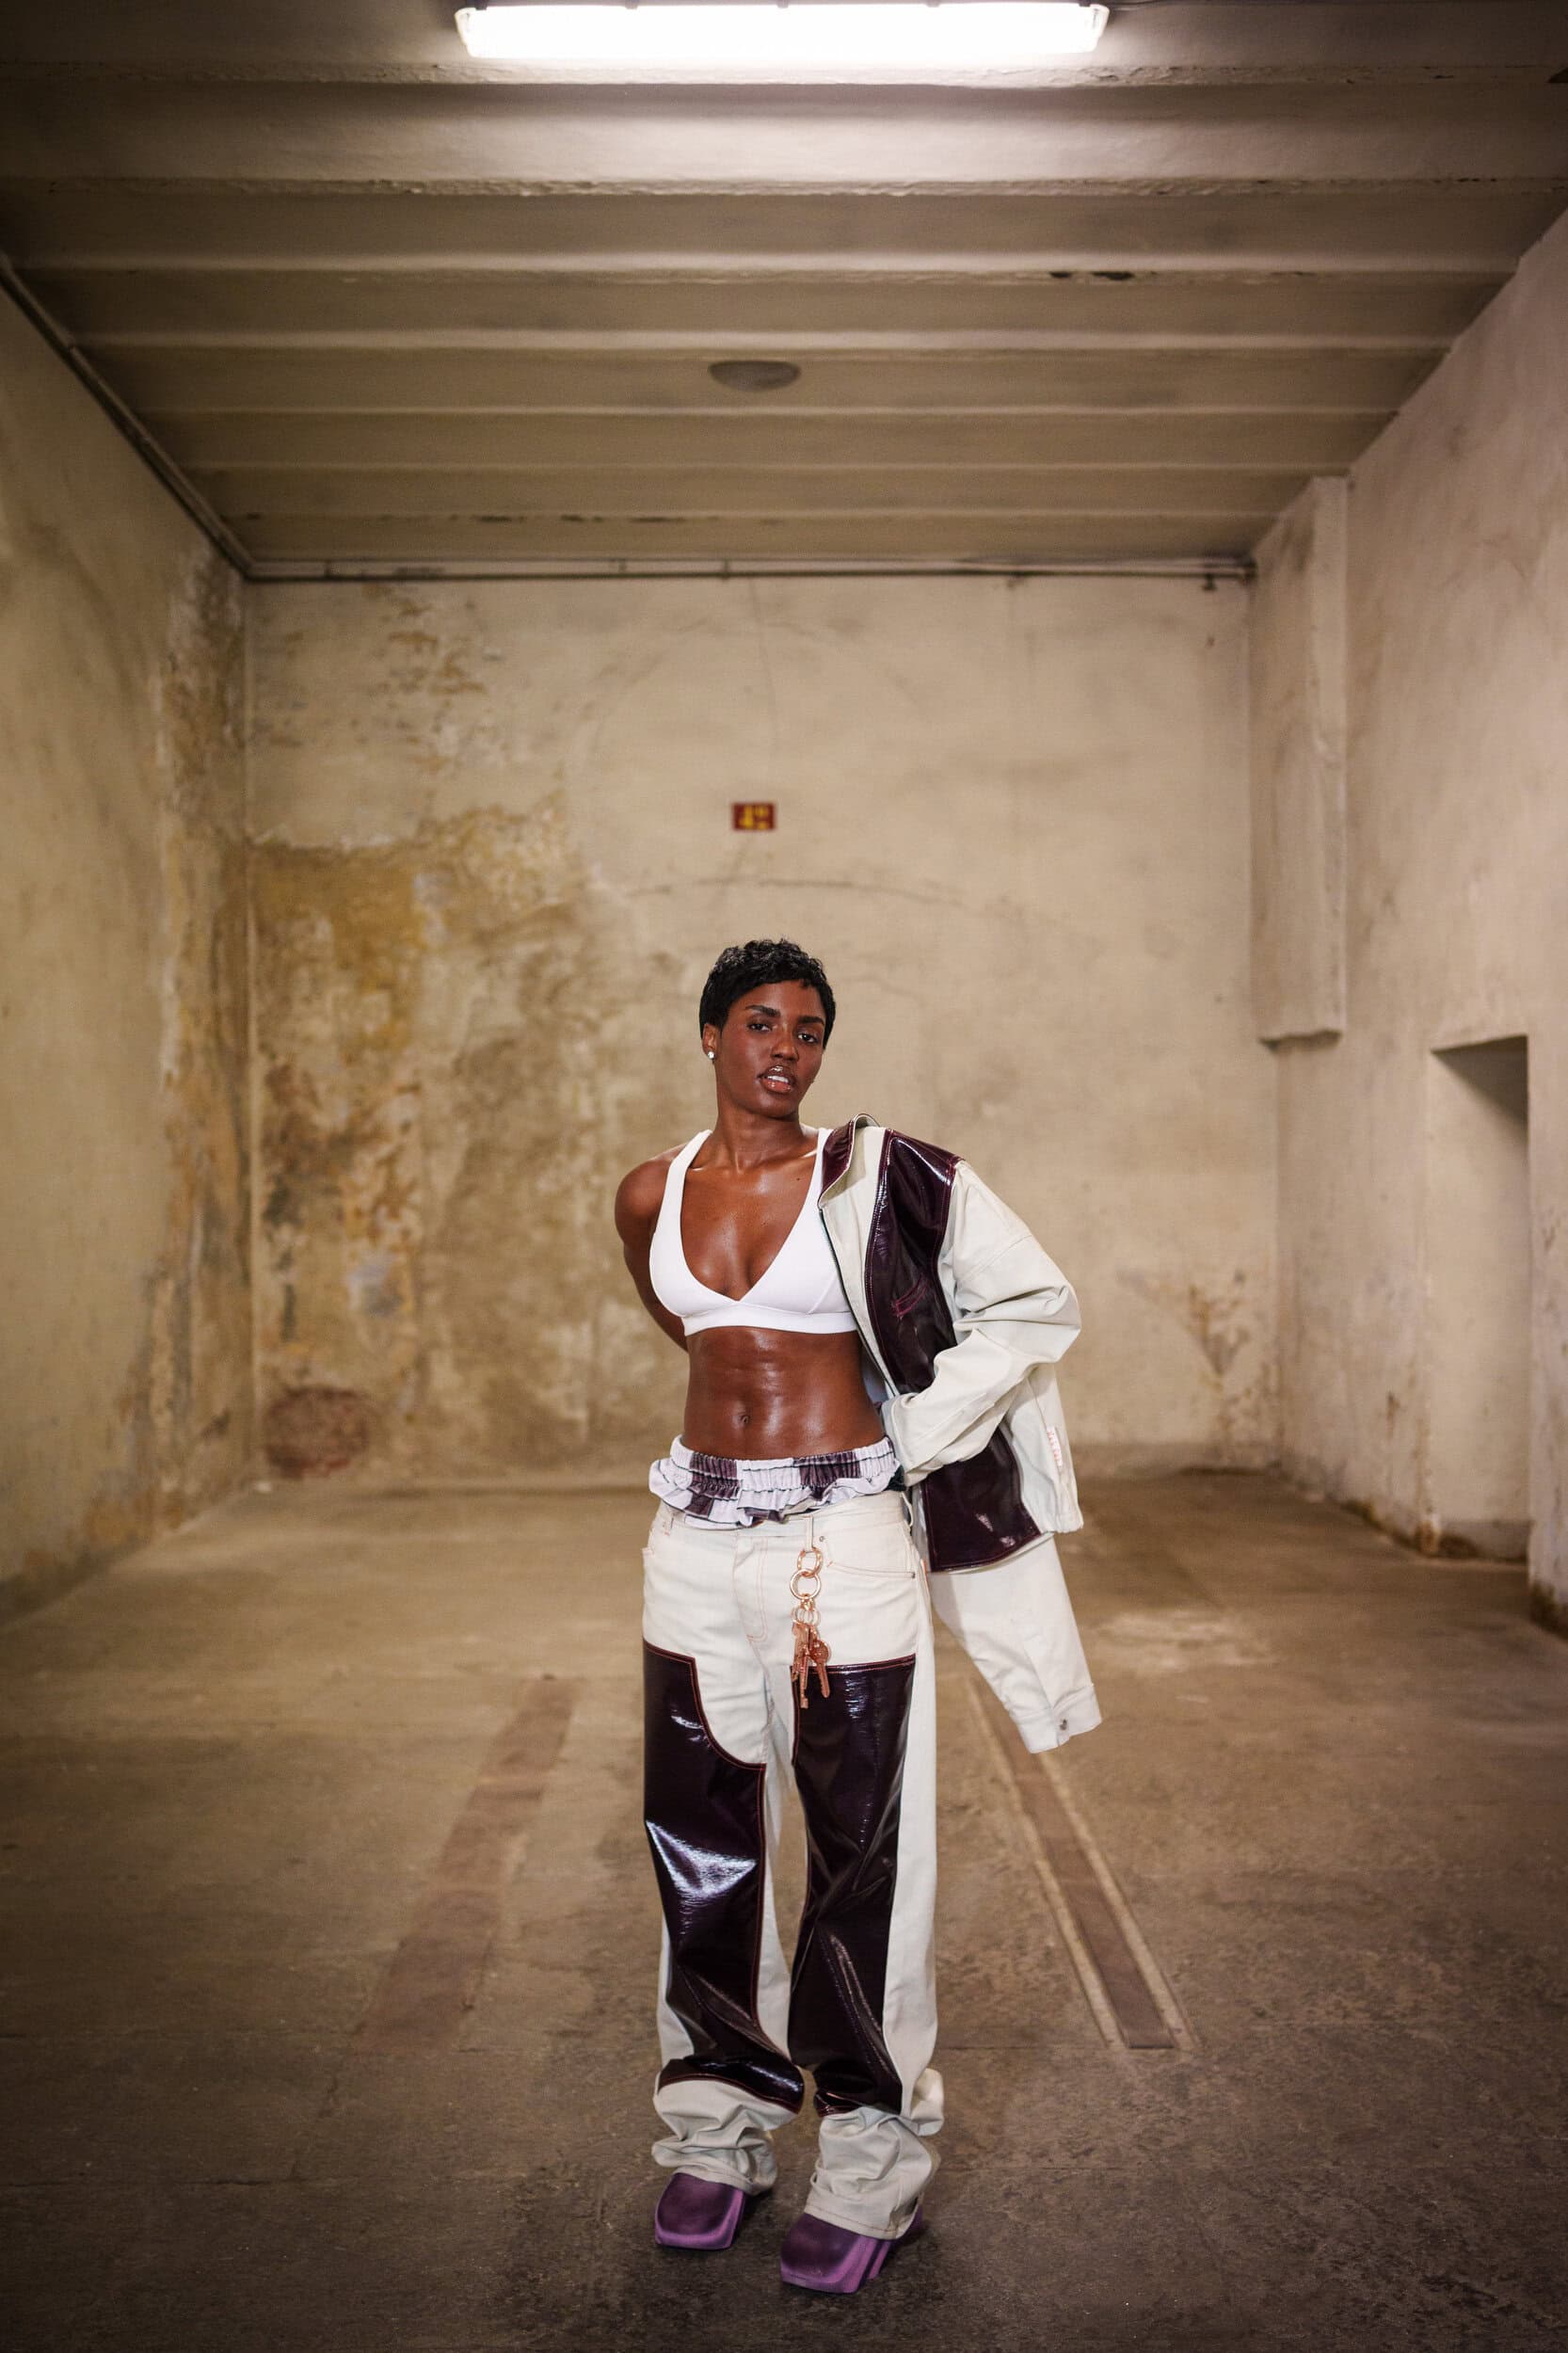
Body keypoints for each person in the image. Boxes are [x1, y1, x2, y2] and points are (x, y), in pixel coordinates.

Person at [614, 937, 1098, 2297]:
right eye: (761, 1023)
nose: (788, 1049)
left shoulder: (883, 1177)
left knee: (861, 1855)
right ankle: (714, 2134)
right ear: (708, 1035)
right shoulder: (651, 1192)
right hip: (693, 1540)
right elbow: (693, 1334)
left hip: (844, 1549)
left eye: (810, 1030)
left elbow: (1034, 1303)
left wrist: (910, 1433)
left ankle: (870, 2164)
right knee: (698, 1842)